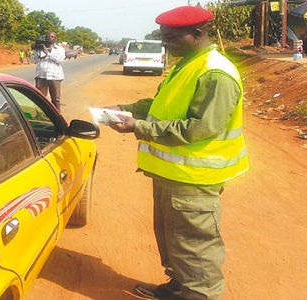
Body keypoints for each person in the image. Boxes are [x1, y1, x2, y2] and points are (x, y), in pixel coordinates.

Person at [105, 6, 249, 300]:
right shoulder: (188, 63)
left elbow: (199, 129)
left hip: (194, 178)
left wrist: (138, 127)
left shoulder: (215, 73)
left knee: (194, 245)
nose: (165, 44)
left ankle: (197, 293)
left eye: (171, 38)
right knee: (173, 239)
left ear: (197, 34)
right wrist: (128, 110)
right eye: (163, 37)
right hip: (172, 174)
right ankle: (179, 284)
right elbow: (162, 105)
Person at [31, 32, 65, 111]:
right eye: (47, 37)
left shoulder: (60, 49)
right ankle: (41, 115)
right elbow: (33, 60)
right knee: (40, 98)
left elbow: (59, 60)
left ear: (55, 39)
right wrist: (36, 51)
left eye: (52, 37)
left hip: (54, 77)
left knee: (56, 99)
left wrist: (47, 52)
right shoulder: (40, 48)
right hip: (41, 76)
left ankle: (57, 116)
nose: (49, 38)